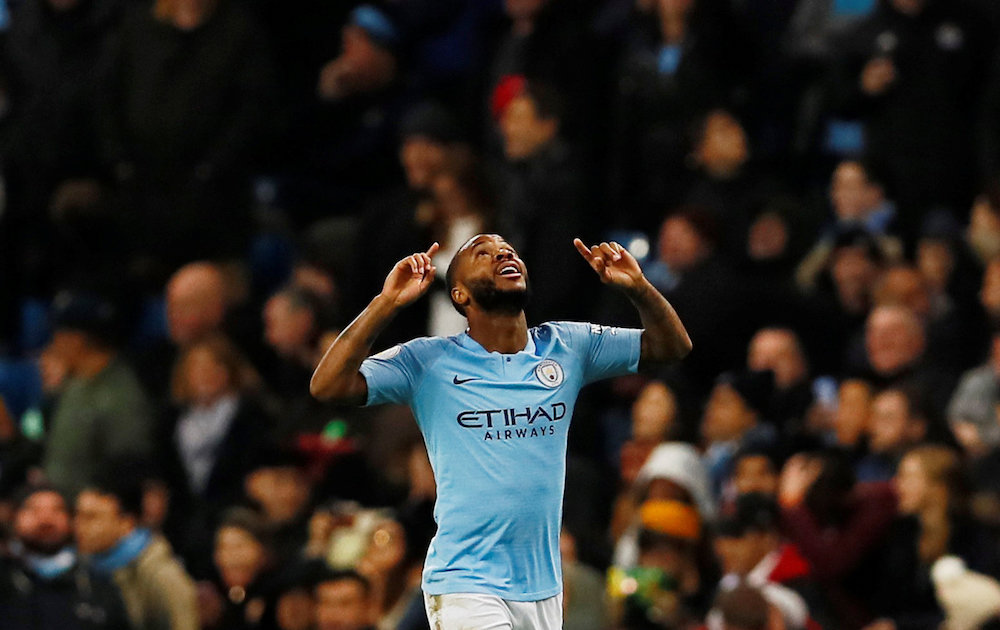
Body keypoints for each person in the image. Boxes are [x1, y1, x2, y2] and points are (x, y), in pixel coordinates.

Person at [310, 233, 691, 629]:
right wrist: (385, 303)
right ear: (459, 295)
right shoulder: (427, 361)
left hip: (542, 587)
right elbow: (328, 385)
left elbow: (672, 347)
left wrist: (639, 289)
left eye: (507, 250)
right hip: (465, 582)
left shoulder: (568, 345)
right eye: (482, 253)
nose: (502, 254)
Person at [74, 468, 199, 630]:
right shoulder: (81, 569)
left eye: (92, 517)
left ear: (126, 523)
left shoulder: (161, 574)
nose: (79, 526)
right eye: (77, 515)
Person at [0, 484, 130, 630]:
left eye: (56, 510)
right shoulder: (6, 580)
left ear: (71, 520)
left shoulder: (97, 586)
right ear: (14, 519)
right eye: (33, 510)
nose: (46, 519)